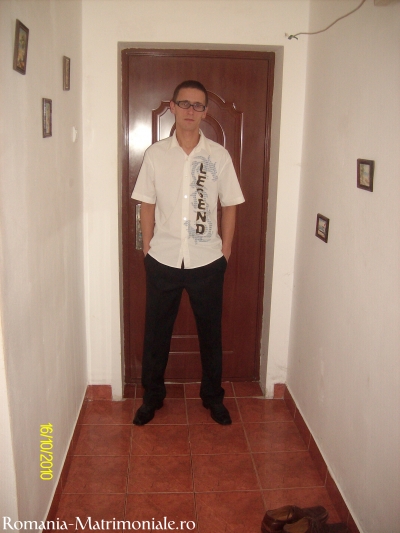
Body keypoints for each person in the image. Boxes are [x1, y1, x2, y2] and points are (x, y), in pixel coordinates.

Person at [131, 80, 245, 426]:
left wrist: (225, 251)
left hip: (207, 262)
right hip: (163, 260)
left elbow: (230, 205)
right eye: (184, 104)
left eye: (198, 105)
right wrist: (148, 249)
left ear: (206, 112)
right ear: (172, 107)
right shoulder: (155, 155)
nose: (190, 111)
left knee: (211, 335)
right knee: (156, 334)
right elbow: (146, 205)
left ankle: (213, 397)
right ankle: (152, 397)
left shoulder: (218, 156)